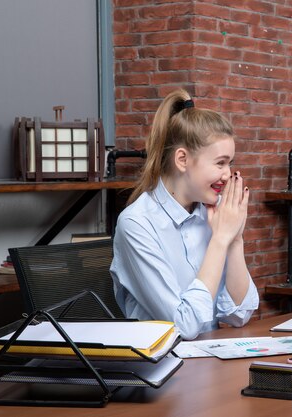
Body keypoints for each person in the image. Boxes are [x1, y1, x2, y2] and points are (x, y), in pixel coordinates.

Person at [110, 89, 259, 340]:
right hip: (160, 370)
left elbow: (239, 315)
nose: (227, 174)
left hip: (208, 361)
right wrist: (220, 240)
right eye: (220, 163)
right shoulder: (137, 224)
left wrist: (234, 239)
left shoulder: (213, 214)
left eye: (230, 163)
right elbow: (184, 326)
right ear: (182, 160)